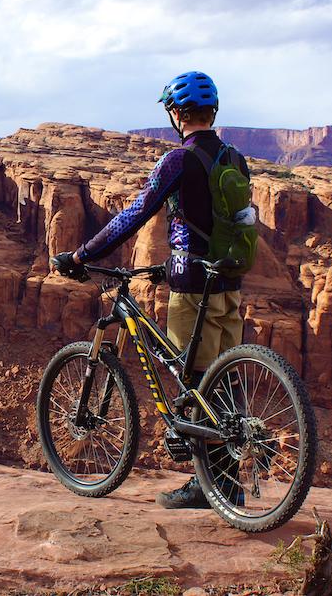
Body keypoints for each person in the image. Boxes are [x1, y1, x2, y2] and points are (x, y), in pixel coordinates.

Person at [51, 71, 250, 509]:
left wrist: (82, 254)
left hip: (192, 285)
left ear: (177, 114)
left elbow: (136, 214)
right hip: (228, 282)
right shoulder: (235, 158)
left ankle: (207, 486)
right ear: (212, 111)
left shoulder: (178, 160)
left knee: (191, 377)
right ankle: (229, 479)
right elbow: (223, 222)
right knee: (220, 374)